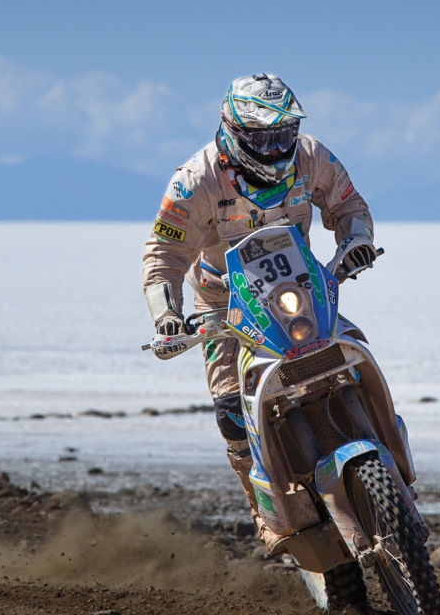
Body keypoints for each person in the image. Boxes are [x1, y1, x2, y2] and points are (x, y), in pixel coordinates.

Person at [142, 74, 376, 552]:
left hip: (300, 290)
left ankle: (382, 448)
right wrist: (167, 316)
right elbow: (163, 255)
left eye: (284, 134)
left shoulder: (312, 156)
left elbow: (348, 204)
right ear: (234, 132)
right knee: (232, 411)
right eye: (263, 138)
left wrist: (357, 240)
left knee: (355, 355)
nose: (276, 148)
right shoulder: (195, 180)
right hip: (225, 305)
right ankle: (267, 515)